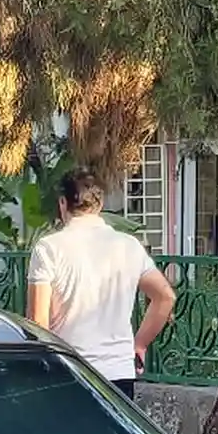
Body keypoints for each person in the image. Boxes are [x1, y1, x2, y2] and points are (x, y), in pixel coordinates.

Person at [24, 167, 176, 400]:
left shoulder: (49, 248)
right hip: (119, 373)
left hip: (68, 371)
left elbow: (38, 322)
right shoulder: (129, 246)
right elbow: (165, 296)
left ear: (63, 203)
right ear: (100, 205)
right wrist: (140, 345)